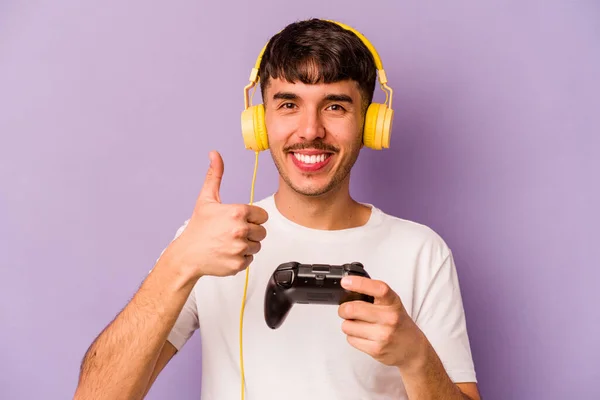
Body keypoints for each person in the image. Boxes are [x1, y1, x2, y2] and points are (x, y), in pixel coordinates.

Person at [74, 18, 480, 400]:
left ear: (370, 123)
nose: (310, 130)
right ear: (259, 121)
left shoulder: (422, 251)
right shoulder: (209, 242)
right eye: (288, 105)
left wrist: (415, 356)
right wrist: (179, 263)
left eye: (335, 106)